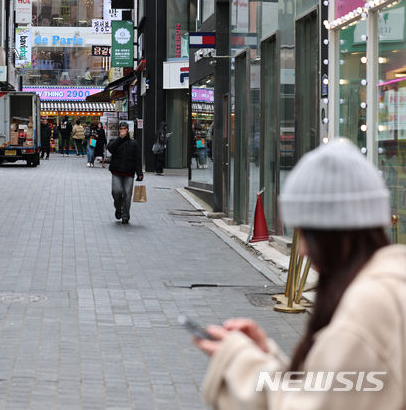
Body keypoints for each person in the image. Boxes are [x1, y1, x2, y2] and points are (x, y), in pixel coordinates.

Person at [193, 140, 404, 408]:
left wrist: (242, 362)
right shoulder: (389, 285)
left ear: (336, 233)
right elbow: (334, 390)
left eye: (308, 233)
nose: (302, 249)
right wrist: (269, 359)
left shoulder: (367, 309)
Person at [107, 122, 143, 224]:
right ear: (119, 130)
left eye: (124, 129)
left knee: (127, 194)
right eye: (121, 129)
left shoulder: (133, 143)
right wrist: (120, 138)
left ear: (127, 130)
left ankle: (125, 215)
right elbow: (110, 149)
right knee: (116, 192)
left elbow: (138, 159)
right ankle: (118, 208)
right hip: (116, 171)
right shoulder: (114, 141)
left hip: (129, 173)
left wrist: (139, 173)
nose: (122, 131)